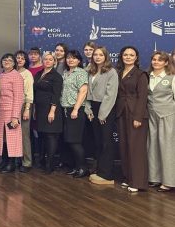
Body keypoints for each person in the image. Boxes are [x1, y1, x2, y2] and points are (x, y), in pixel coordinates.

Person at [115, 46, 149, 192]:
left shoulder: (141, 74)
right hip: (121, 113)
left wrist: (138, 117)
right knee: (124, 146)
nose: (128, 57)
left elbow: (143, 97)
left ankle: (137, 182)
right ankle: (128, 178)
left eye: (131, 55)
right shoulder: (118, 73)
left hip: (136, 114)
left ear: (136, 57)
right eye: (125, 55)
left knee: (136, 148)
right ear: (121, 57)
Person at [85, 46, 119, 186]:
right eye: (95, 55)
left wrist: (102, 114)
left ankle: (107, 175)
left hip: (106, 109)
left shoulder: (111, 72)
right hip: (93, 108)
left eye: (101, 55)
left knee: (106, 142)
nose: (97, 57)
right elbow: (87, 92)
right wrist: (88, 109)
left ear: (106, 57)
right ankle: (99, 171)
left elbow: (110, 95)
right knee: (98, 141)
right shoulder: (90, 70)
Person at [147, 51, 175, 192]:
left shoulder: (172, 77)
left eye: (159, 60)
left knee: (167, 148)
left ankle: (169, 181)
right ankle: (155, 178)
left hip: (167, 116)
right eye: (154, 59)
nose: (156, 62)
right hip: (151, 116)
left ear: (166, 62)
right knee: (153, 146)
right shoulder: (148, 76)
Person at [60, 50, 90, 178]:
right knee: (68, 140)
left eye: (73, 58)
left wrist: (76, 109)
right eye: (68, 58)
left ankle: (83, 168)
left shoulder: (81, 73)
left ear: (79, 60)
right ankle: (75, 167)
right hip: (65, 109)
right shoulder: (65, 73)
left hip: (75, 110)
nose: (70, 60)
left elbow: (83, 91)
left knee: (75, 141)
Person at [33, 52, 63, 174]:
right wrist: (35, 109)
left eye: (50, 59)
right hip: (40, 110)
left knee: (51, 136)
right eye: (46, 59)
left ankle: (50, 165)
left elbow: (56, 95)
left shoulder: (56, 76)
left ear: (54, 62)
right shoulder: (39, 74)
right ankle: (42, 161)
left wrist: (52, 111)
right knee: (42, 136)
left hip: (51, 109)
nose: (48, 61)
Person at [0, 54, 24, 173]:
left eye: (10, 60)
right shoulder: (0, 75)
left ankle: (11, 163)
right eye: (4, 60)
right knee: (2, 138)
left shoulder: (16, 76)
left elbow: (18, 98)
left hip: (11, 111)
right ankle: (4, 161)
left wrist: (15, 116)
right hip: (0, 112)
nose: (7, 61)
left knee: (11, 138)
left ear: (14, 63)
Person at [15, 50, 34, 172]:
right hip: (12, 106)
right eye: (18, 58)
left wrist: (27, 109)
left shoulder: (27, 74)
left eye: (22, 58)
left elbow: (29, 93)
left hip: (24, 106)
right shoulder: (11, 72)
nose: (20, 60)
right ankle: (17, 159)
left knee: (24, 135)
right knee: (14, 134)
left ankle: (27, 162)